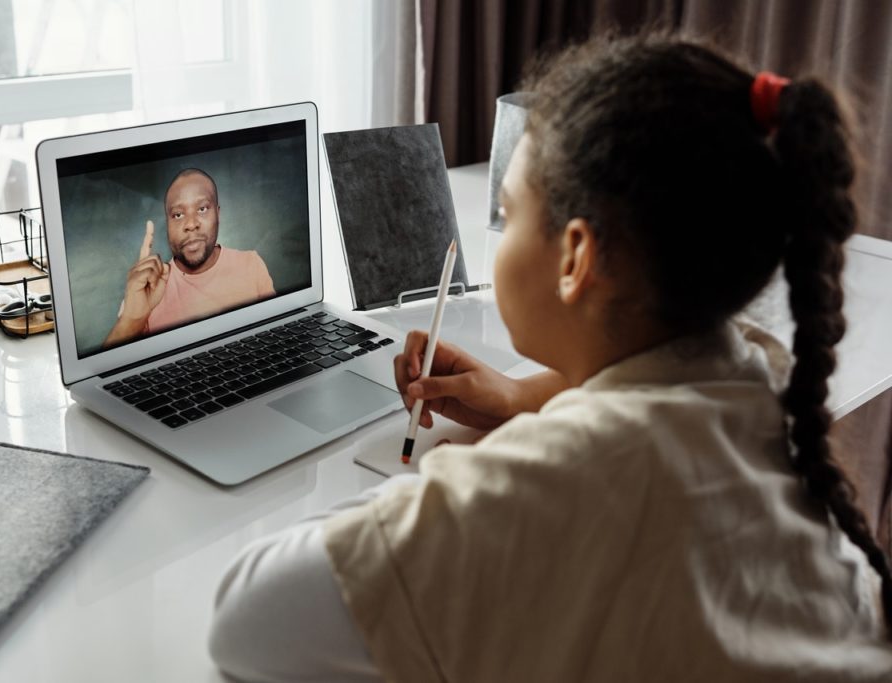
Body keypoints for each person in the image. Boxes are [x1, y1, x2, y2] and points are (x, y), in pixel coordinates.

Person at [208, 35, 892, 681]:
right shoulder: (759, 378)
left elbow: (245, 618)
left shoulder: (553, 484)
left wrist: (454, 477)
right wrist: (516, 398)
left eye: (507, 211)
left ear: (575, 257)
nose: (497, 234)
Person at [103, 168, 275, 347]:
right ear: (167, 224)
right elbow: (106, 370)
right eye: (178, 215)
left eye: (202, 209)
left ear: (218, 214)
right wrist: (132, 319)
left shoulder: (251, 264)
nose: (191, 224)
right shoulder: (148, 288)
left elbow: (274, 338)